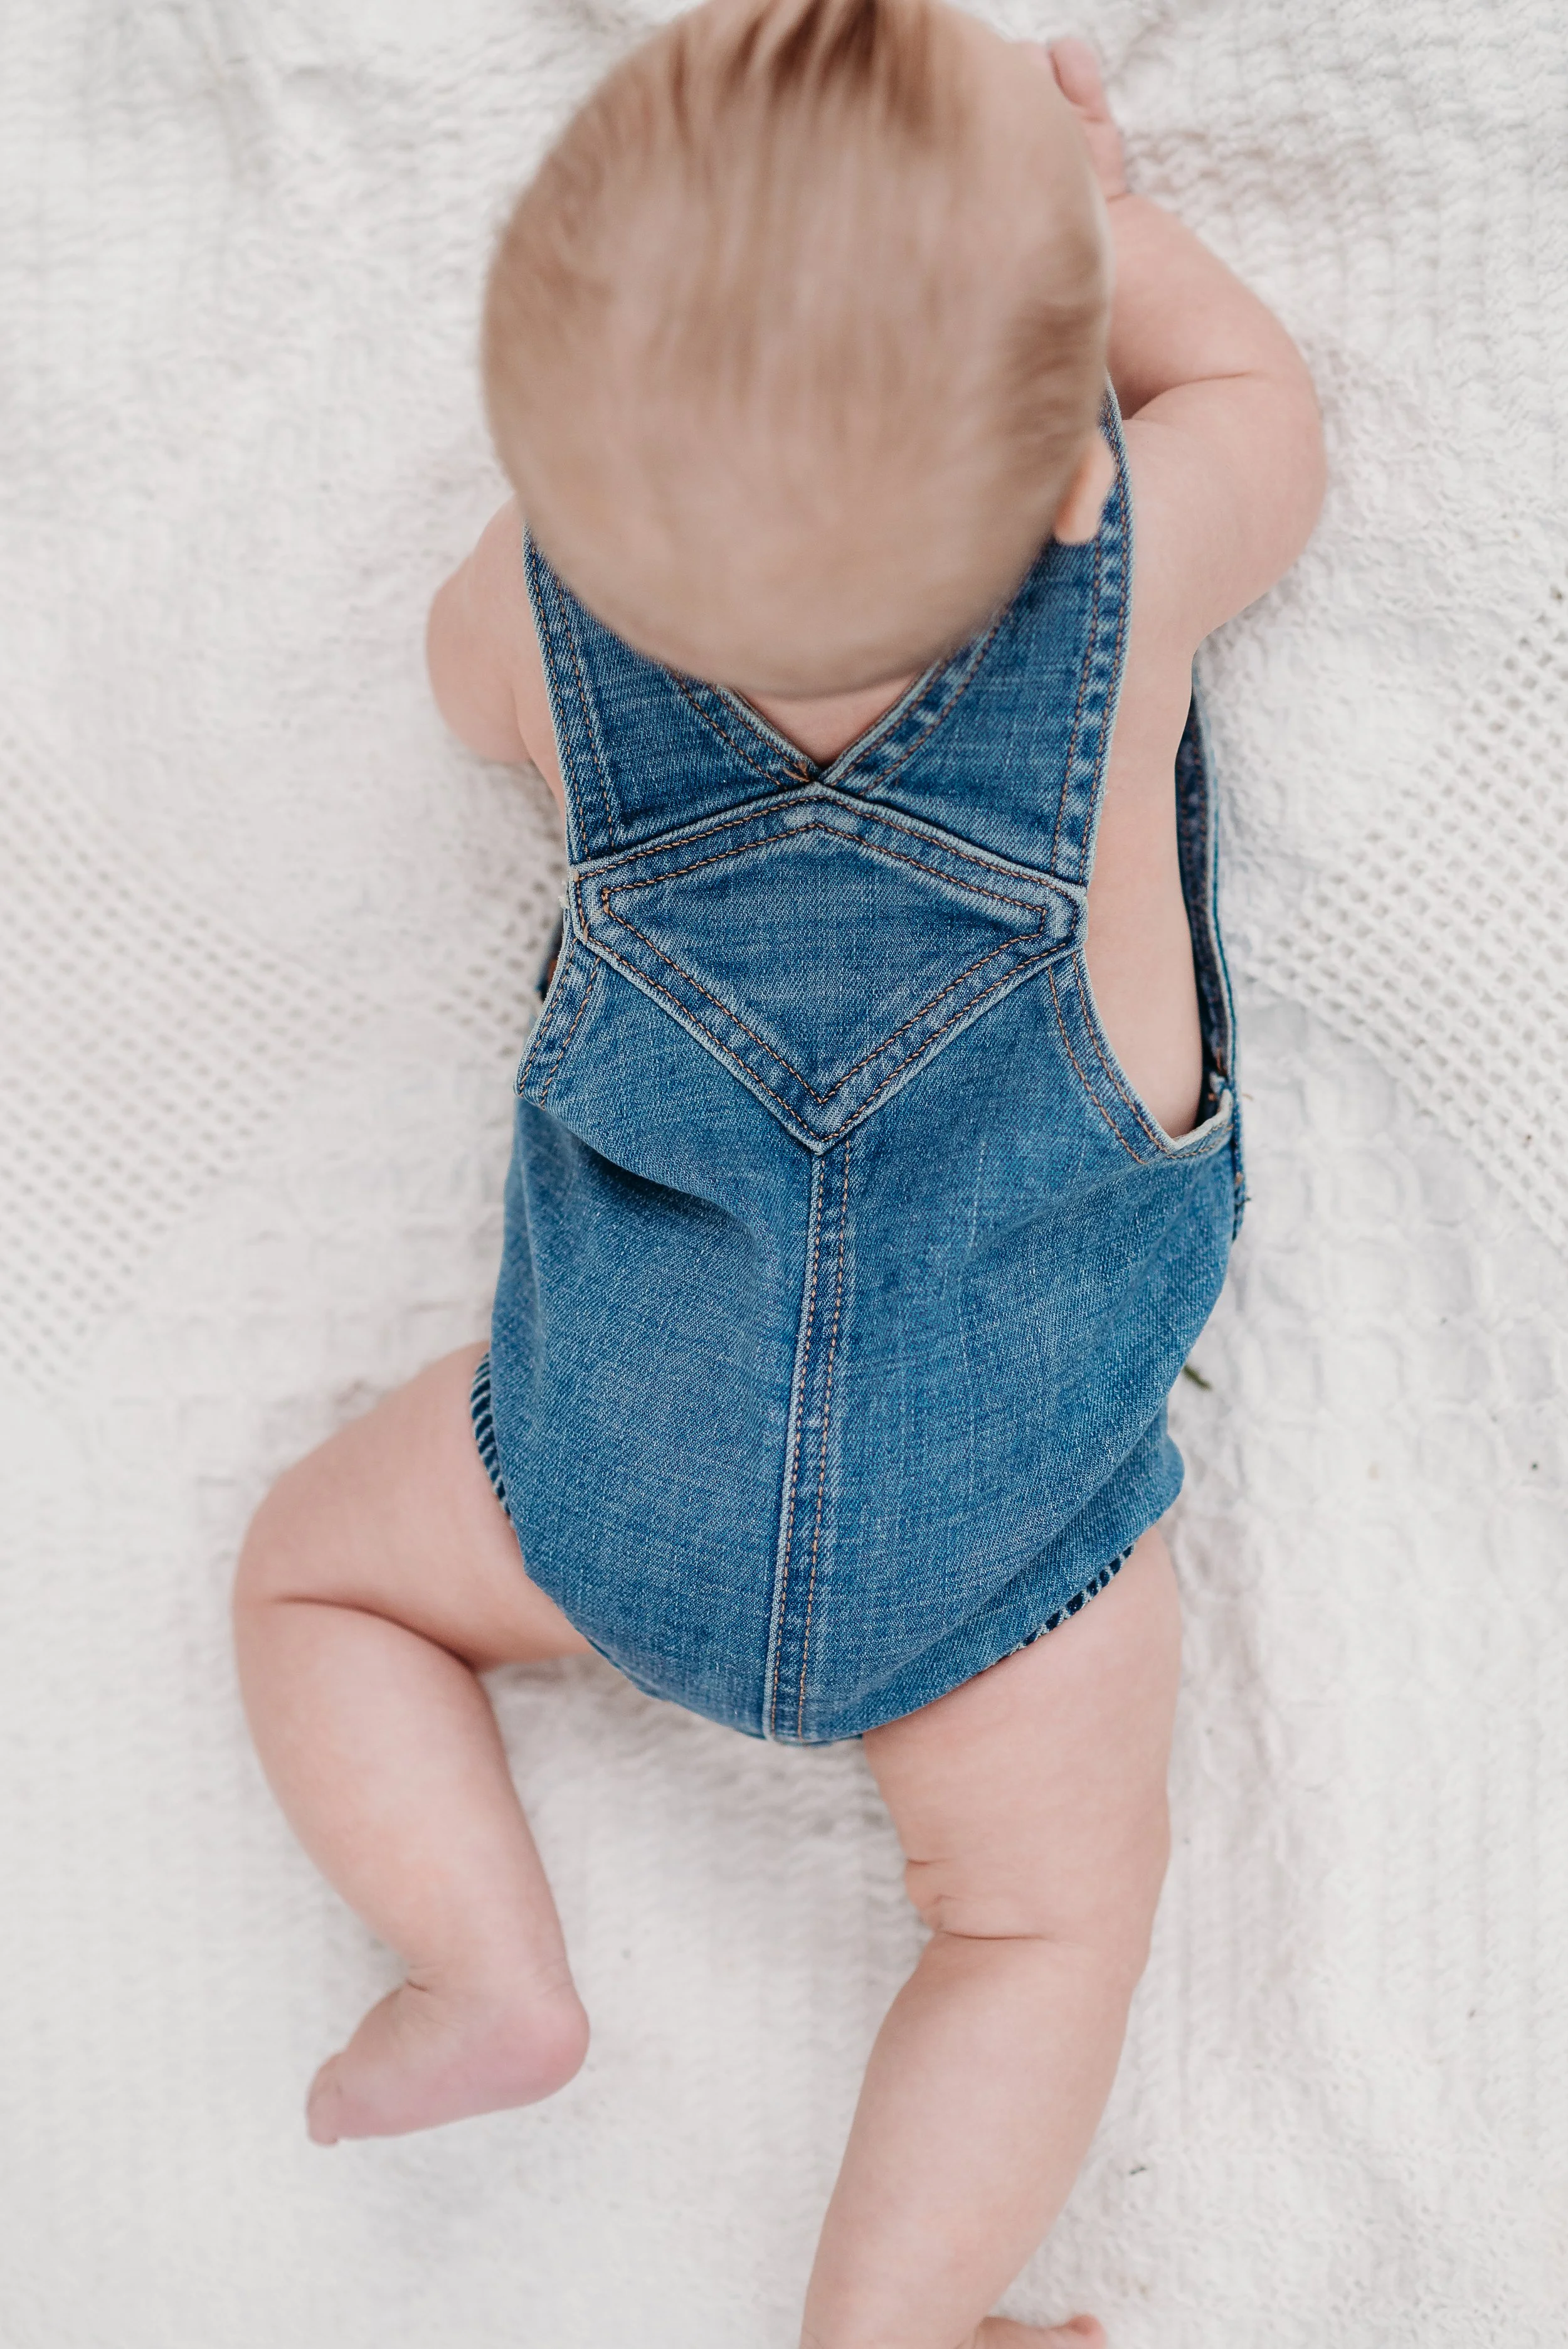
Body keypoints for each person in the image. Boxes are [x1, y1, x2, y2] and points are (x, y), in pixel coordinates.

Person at [233, 7, 1323, 2342]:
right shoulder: (1114, 586)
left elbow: (458, 665)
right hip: (995, 1556)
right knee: (1036, 1924)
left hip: (595, 1482)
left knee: (314, 1584)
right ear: (1059, 465)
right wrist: (1093, 238)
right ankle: (887, 2320)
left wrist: (581, 535)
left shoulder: (541, 625)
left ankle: (485, 1967)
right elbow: (1256, 407)